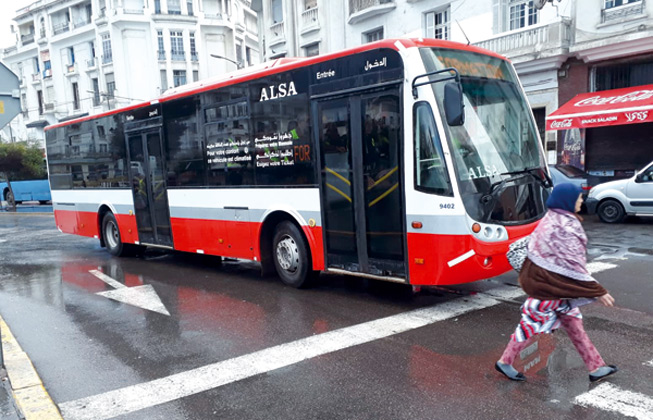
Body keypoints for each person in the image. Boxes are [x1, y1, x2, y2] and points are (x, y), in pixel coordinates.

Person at [495, 183, 618, 383]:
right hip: (548, 287)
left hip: (551, 285)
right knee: (529, 325)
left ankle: (596, 367)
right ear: (567, 201)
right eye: (578, 198)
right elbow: (573, 266)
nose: (581, 201)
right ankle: (504, 362)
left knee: (574, 324)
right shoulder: (565, 226)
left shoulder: (552, 218)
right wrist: (598, 291)